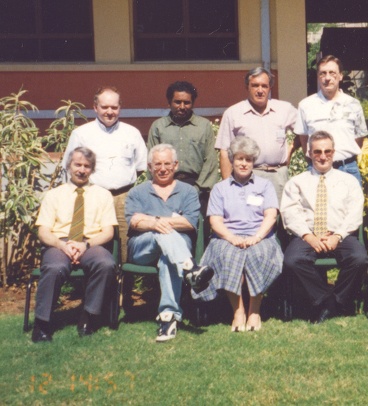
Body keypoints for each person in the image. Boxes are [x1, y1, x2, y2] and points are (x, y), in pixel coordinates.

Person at [125, 144, 214, 342]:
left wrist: (153, 221)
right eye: (157, 164)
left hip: (173, 252)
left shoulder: (188, 191)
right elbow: (134, 221)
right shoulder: (137, 192)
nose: (163, 168)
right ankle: (190, 269)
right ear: (149, 166)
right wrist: (159, 224)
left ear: (175, 165)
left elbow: (190, 222)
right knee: (162, 233)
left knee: (168, 257)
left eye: (167, 163)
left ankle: (168, 318)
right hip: (142, 248)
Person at [193, 137, 283, 332]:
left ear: (253, 162)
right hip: (227, 237)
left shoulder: (264, 186)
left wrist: (257, 237)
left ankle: (254, 311)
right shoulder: (220, 188)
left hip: (260, 236)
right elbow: (215, 221)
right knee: (229, 255)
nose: (244, 163)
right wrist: (231, 238)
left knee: (257, 255)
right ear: (232, 160)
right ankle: (238, 311)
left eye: (248, 160)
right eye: (240, 159)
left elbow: (271, 215)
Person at [281, 131, 368, 324]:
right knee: (292, 260)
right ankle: (328, 301)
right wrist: (308, 236)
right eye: (317, 151)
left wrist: (337, 236)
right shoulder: (296, 182)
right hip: (308, 235)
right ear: (309, 153)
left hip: (340, 235)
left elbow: (354, 213)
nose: (322, 156)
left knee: (360, 259)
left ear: (333, 152)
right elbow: (290, 212)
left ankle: (334, 303)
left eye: (327, 151)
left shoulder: (348, 181)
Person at [32, 147, 118, 342]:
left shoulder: (103, 195)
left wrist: (85, 245)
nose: (81, 170)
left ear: (92, 170)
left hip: (90, 243)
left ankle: (88, 316)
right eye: (77, 164)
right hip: (59, 244)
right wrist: (62, 246)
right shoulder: (54, 195)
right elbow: (43, 231)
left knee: (105, 264)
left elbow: (108, 232)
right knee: (54, 267)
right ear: (69, 166)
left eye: (87, 166)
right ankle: (42, 323)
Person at [63, 86, 148, 262]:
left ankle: (125, 285)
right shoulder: (81, 134)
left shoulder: (131, 133)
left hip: (125, 195)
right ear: (95, 107)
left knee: (126, 241)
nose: (110, 112)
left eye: (114, 107)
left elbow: (141, 167)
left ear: (120, 107)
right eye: (104, 107)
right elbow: (69, 168)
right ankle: (97, 287)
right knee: (93, 240)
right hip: (93, 195)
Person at [215, 67, 298, 203]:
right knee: (251, 217)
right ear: (247, 87)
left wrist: (291, 149)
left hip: (278, 176)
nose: (260, 90)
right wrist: (228, 187)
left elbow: (303, 130)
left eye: (264, 86)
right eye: (255, 86)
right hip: (248, 176)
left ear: (270, 88)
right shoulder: (233, 113)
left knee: (279, 218)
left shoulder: (284, 109)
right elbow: (224, 152)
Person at [148, 81, 219, 214]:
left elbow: (210, 162)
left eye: (187, 103)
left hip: (197, 186)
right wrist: (160, 189)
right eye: (177, 102)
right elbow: (152, 161)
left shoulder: (204, 126)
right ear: (169, 103)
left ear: (192, 103)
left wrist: (197, 189)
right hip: (165, 186)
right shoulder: (158, 127)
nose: (182, 106)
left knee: (198, 231)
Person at [294, 55, 368, 183]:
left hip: (347, 169)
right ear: (318, 77)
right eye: (323, 73)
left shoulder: (353, 104)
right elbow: (304, 139)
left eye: (332, 73)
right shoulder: (306, 105)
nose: (327, 78)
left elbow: (359, 138)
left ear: (340, 76)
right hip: (317, 170)